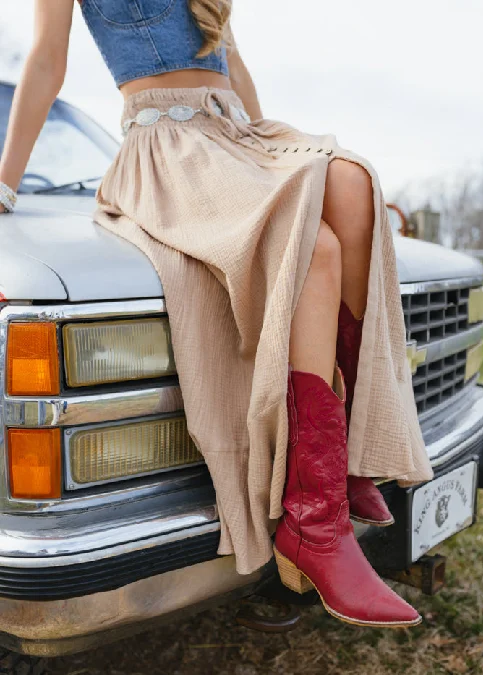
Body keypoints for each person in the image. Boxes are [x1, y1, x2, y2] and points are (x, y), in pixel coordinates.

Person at [0, 0, 434, 627]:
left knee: (350, 184)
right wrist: (6, 182)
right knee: (313, 249)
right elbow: (46, 60)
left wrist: (275, 168)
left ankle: (346, 457)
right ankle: (316, 522)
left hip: (236, 140)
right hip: (167, 152)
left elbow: (234, 60)